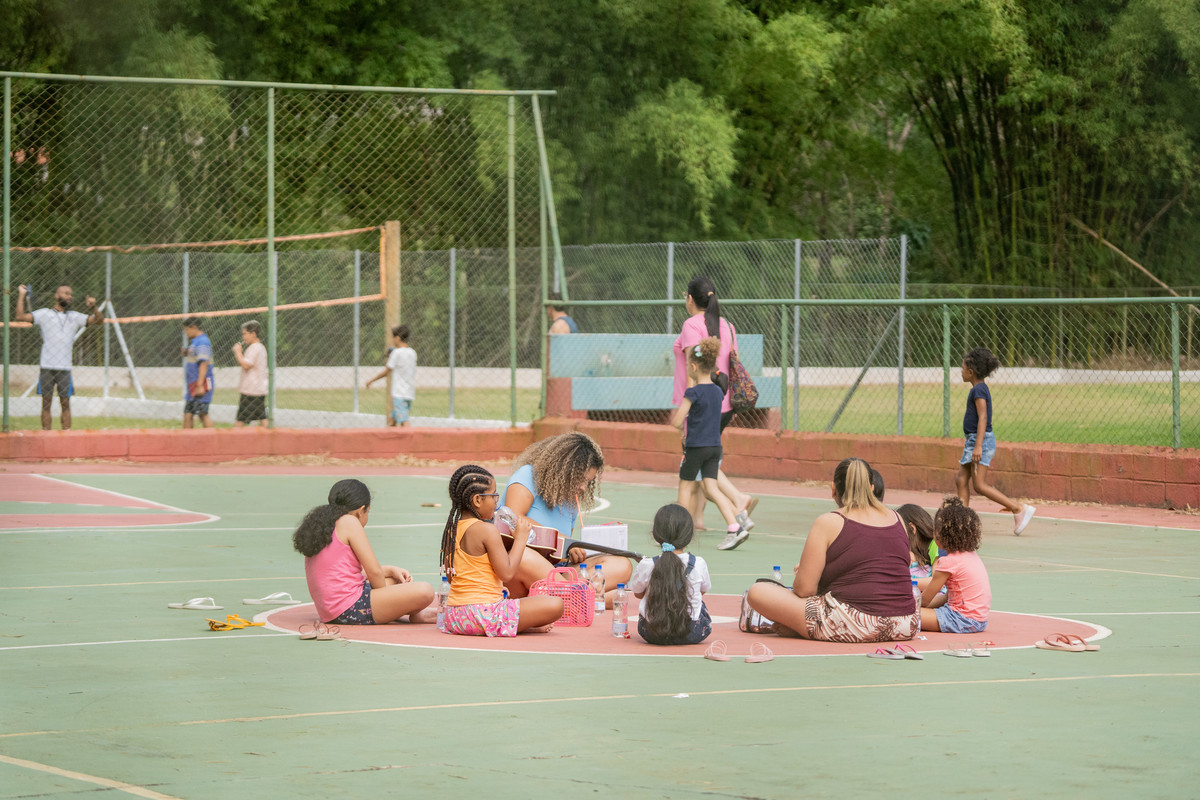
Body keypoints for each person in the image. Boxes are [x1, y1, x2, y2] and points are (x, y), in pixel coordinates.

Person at [745, 457, 918, 643]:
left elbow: (804, 590)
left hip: (856, 624)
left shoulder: (829, 521)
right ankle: (801, 626)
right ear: (872, 488)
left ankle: (801, 627)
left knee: (757, 592)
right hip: (906, 624)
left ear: (833, 489)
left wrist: (811, 572)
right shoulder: (897, 518)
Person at [500, 431, 632, 603]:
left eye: (588, 482)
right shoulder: (527, 476)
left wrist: (572, 551)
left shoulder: (570, 499)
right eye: (581, 480)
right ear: (564, 470)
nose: (584, 487)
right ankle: (585, 599)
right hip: (519, 567)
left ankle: (572, 598)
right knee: (525, 557)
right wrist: (561, 539)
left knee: (622, 565)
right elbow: (512, 519)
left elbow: (558, 552)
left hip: (555, 573)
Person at [672, 275, 756, 533]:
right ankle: (697, 519)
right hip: (723, 402)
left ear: (689, 299)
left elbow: (691, 367)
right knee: (705, 459)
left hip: (699, 404)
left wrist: (687, 404)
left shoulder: (691, 325)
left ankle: (736, 499)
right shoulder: (727, 326)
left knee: (696, 460)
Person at [438, 464, 564, 636]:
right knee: (555, 604)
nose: (497, 502)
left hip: (455, 617)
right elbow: (507, 574)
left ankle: (517, 624)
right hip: (483, 616)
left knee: (511, 598)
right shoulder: (487, 530)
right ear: (477, 500)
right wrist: (521, 539)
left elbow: (452, 577)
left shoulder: (451, 530)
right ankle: (517, 625)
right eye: (494, 496)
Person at [293, 479, 437, 625]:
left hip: (331, 610)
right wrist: (387, 597)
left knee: (394, 581)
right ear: (360, 511)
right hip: (350, 609)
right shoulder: (350, 521)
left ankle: (403, 611)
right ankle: (409, 613)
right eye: (367, 511)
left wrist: (391, 570)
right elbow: (374, 572)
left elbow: (348, 572)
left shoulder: (325, 523)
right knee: (425, 591)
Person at [672, 337, 748, 551]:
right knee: (712, 488)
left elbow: (677, 420)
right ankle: (735, 526)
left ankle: (678, 532)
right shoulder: (718, 391)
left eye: (688, 365)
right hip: (715, 447)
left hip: (696, 447)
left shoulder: (692, 393)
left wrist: (681, 429)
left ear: (694, 366)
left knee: (685, 486)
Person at [957, 347, 1035, 534]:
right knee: (961, 479)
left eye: (962, 367)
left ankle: (1018, 509)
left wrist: (978, 447)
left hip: (980, 441)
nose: (960, 371)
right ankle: (963, 524)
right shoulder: (978, 389)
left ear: (971, 371)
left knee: (979, 485)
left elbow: (983, 417)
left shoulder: (979, 391)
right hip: (973, 441)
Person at [15, 283, 103, 430]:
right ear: (57, 296)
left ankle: (66, 436)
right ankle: (46, 436)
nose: (69, 296)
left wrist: (93, 307)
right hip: (47, 367)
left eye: (71, 294)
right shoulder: (44, 314)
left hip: (65, 368)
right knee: (46, 404)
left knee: (66, 403)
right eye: (66, 293)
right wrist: (22, 296)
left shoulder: (74, 317)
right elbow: (19, 316)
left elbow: (99, 321)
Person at [628, 503, 712, 645]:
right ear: (689, 535)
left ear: (656, 534)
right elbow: (703, 590)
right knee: (698, 600)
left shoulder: (647, 564)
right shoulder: (699, 563)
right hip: (693, 632)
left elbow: (637, 594)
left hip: (652, 632)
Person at [919, 497, 990, 633]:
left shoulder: (947, 563)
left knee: (903, 615)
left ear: (940, 536)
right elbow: (946, 598)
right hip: (979, 621)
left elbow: (924, 601)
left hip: (960, 619)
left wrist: (908, 605)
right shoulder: (971, 556)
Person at [897, 503, 945, 609]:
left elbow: (937, 583)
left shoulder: (936, 544)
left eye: (900, 531)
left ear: (912, 528)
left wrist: (902, 583)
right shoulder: (923, 551)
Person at [367, 324, 416, 427]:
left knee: (404, 421)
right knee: (392, 421)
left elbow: (386, 372)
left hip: (399, 394)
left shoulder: (396, 353)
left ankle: (412, 441)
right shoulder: (413, 353)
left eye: (394, 338)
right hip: (409, 393)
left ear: (397, 338)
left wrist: (371, 380)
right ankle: (388, 441)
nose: (393, 340)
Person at [232, 320, 268, 428]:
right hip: (257, 389)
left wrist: (238, 352)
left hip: (251, 390)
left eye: (245, 334)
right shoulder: (258, 347)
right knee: (262, 417)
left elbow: (246, 365)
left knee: (240, 419)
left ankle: (233, 440)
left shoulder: (255, 348)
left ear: (253, 334)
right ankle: (269, 438)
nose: (243, 337)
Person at [182, 317, 214, 429]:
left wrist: (200, 385)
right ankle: (186, 442)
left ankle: (212, 440)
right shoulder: (195, 342)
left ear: (194, 327)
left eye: (187, 330)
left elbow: (203, 364)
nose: (186, 333)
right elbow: (195, 358)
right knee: (188, 413)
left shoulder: (203, 342)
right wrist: (187, 353)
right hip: (192, 385)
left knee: (202, 413)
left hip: (201, 383)